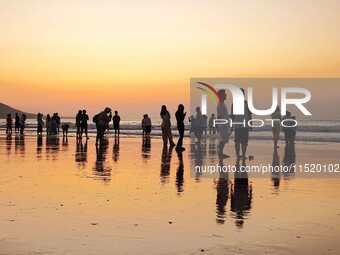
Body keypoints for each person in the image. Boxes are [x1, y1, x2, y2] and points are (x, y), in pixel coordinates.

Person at [231, 88, 252, 162]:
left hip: (241, 125)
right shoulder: (243, 103)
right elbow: (233, 116)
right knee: (241, 141)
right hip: (241, 125)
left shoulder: (242, 103)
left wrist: (250, 124)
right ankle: (241, 155)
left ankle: (240, 155)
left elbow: (249, 115)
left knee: (240, 141)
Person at [216, 89, 230, 158]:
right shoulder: (220, 104)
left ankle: (221, 153)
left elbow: (223, 115)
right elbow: (219, 116)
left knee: (223, 139)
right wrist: (220, 126)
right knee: (223, 139)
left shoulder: (222, 103)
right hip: (223, 125)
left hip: (224, 125)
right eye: (224, 94)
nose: (226, 95)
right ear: (220, 95)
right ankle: (220, 153)